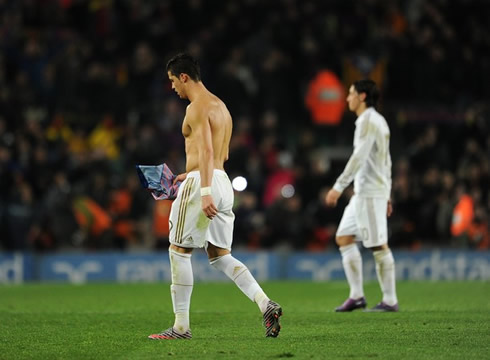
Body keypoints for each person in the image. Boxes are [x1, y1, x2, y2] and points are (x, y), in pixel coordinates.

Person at [148, 53, 282, 340]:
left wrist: (202, 188)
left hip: (205, 185)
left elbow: (206, 151)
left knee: (178, 251)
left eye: (173, 81)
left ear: (183, 77)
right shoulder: (222, 108)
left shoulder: (196, 108)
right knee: (220, 256)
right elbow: (222, 155)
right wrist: (197, 176)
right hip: (222, 181)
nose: (173, 88)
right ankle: (264, 303)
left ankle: (181, 327)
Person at [326, 79, 399, 312]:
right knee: (344, 237)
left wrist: (338, 186)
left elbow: (359, 156)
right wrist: (387, 194)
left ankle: (390, 300)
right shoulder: (378, 121)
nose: (347, 98)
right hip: (365, 192)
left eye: (351, 94)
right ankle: (357, 296)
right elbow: (386, 161)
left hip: (369, 193)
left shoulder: (368, 120)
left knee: (378, 245)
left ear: (363, 96)